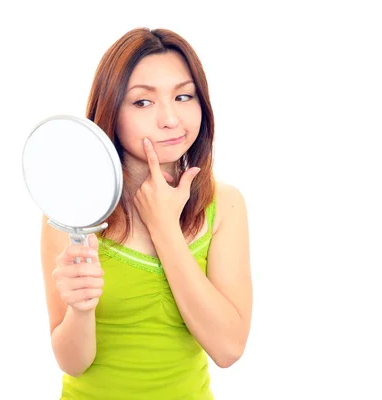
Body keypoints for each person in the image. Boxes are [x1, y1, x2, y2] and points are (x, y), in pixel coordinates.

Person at [40, 27, 252, 399]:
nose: (170, 119)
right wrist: (80, 308)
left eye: (183, 96)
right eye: (142, 102)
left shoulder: (225, 206)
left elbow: (228, 348)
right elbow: (72, 362)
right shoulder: (71, 213)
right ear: (110, 110)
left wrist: (165, 229)